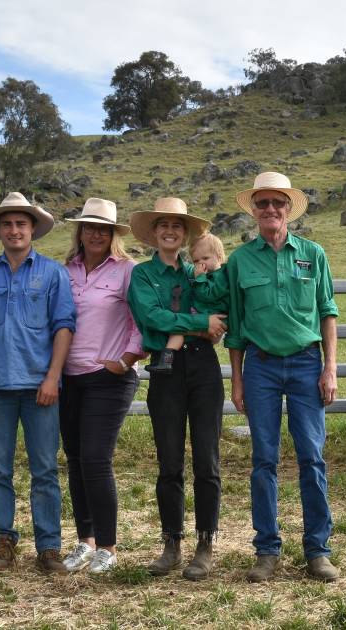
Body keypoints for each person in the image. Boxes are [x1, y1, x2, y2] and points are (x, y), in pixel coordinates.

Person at [224, 172, 341, 583]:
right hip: (261, 366)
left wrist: (330, 368)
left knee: (312, 456)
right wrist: (237, 380)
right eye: (262, 204)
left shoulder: (313, 253)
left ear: (289, 209)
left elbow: (328, 313)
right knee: (264, 459)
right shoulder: (240, 261)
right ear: (253, 211)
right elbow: (236, 328)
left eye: (278, 203)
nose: (270, 210)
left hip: (307, 363)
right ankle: (266, 550)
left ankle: (317, 550)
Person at [0, 192, 75, 575]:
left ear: (33, 230)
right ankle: (2, 540)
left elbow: (64, 327)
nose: (14, 230)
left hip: (39, 386)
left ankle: (48, 546)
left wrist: (52, 377)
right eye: (8, 224)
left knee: (44, 467)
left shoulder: (52, 274)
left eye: (21, 224)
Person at [127, 197, 228, 580]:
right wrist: (202, 322)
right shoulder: (142, 276)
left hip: (202, 366)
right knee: (169, 461)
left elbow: (223, 312)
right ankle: (171, 542)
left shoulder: (198, 270)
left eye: (177, 226)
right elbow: (150, 317)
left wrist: (207, 324)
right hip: (165, 369)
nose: (170, 231)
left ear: (185, 234)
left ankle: (205, 543)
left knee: (207, 458)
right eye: (163, 225)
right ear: (154, 232)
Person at [58, 198, 143, 574]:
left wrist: (127, 358)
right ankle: (85, 542)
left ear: (112, 235)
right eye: (89, 227)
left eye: (103, 228)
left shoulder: (127, 271)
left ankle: (108, 546)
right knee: (76, 460)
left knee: (95, 458)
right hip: (69, 377)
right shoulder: (66, 270)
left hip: (109, 378)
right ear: (80, 232)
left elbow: (141, 319)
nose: (95, 233)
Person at [146, 233, 228, 374]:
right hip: (205, 315)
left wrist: (200, 279)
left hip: (214, 315)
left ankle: (166, 360)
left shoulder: (221, 277)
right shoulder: (208, 275)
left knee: (180, 327)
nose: (201, 264)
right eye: (196, 261)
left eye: (206, 258)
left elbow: (207, 295)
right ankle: (166, 361)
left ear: (219, 257)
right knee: (179, 329)